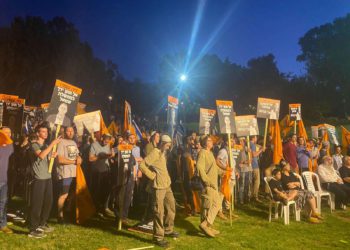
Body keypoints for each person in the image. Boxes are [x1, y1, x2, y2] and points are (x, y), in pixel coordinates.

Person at [139, 134, 179, 248]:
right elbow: (142, 165)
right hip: (158, 187)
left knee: (171, 207)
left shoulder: (163, 152)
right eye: (167, 145)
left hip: (167, 185)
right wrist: (151, 175)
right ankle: (158, 237)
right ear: (162, 144)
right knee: (159, 212)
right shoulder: (155, 153)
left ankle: (168, 230)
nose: (168, 147)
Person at [29, 124, 61, 238]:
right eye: (43, 131)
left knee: (48, 202)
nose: (46, 133)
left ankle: (42, 224)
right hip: (39, 178)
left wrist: (53, 155)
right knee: (37, 204)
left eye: (46, 132)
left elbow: (46, 158)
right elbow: (41, 155)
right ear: (38, 133)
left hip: (47, 177)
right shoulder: (34, 145)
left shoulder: (46, 145)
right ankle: (33, 229)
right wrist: (52, 145)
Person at [197, 135, 222, 238]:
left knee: (216, 203)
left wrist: (225, 172)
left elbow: (215, 168)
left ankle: (207, 225)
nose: (212, 142)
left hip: (214, 185)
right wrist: (206, 181)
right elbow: (200, 168)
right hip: (208, 185)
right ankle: (205, 225)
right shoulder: (202, 153)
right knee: (207, 206)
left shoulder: (210, 153)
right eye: (209, 140)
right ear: (205, 143)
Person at [56, 126, 82, 223]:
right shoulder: (61, 142)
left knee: (73, 193)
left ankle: (68, 210)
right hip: (65, 173)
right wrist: (74, 161)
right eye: (68, 131)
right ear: (64, 132)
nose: (70, 133)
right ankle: (60, 215)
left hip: (74, 173)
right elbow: (60, 159)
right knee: (63, 194)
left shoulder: (73, 143)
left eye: (72, 131)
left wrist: (79, 158)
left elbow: (77, 155)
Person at [89, 133, 115, 217]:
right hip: (97, 172)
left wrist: (111, 157)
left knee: (105, 192)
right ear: (102, 138)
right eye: (105, 139)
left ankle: (102, 209)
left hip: (106, 172)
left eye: (108, 140)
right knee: (96, 192)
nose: (106, 141)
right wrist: (100, 157)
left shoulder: (108, 146)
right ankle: (95, 210)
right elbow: (90, 158)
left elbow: (108, 157)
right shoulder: (94, 145)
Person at [0, 127, 14, 234]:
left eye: (9, 132)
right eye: (6, 132)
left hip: (5, 179)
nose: (8, 134)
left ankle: (3, 225)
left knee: (3, 203)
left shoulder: (10, 145)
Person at [237, 138, 252, 204]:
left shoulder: (247, 148)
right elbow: (237, 160)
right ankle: (241, 199)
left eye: (241, 141)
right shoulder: (237, 148)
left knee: (248, 184)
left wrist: (244, 162)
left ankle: (247, 198)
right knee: (242, 185)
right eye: (239, 141)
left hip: (248, 169)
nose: (240, 142)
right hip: (241, 170)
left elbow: (250, 160)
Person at [250, 136, 264, 203]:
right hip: (254, 165)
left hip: (251, 165)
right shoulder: (252, 145)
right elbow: (254, 155)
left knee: (252, 181)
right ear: (253, 138)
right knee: (257, 181)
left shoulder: (249, 144)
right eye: (256, 138)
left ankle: (251, 195)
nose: (257, 139)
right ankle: (254, 196)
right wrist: (261, 150)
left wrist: (260, 147)